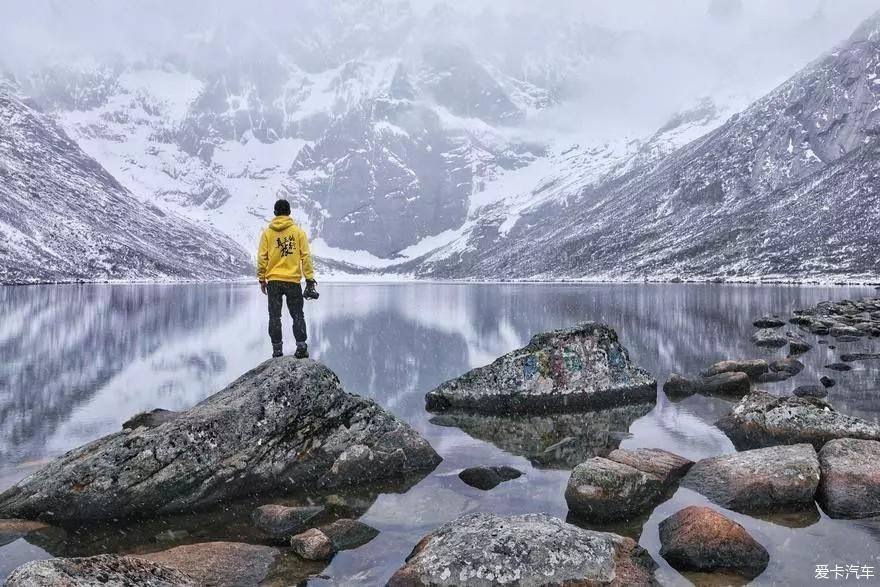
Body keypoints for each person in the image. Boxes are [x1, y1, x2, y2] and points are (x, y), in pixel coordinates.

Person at [257, 199, 319, 359]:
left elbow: (262, 258)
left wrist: (262, 279)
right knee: (297, 314)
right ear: (289, 213)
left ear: (275, 213)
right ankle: (301, 347)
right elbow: (306, 257)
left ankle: (277, 350)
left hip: (274, 282)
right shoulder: (298, 232)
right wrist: (310, 278)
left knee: (274, 316)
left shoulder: (267, 233)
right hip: (293, 281)